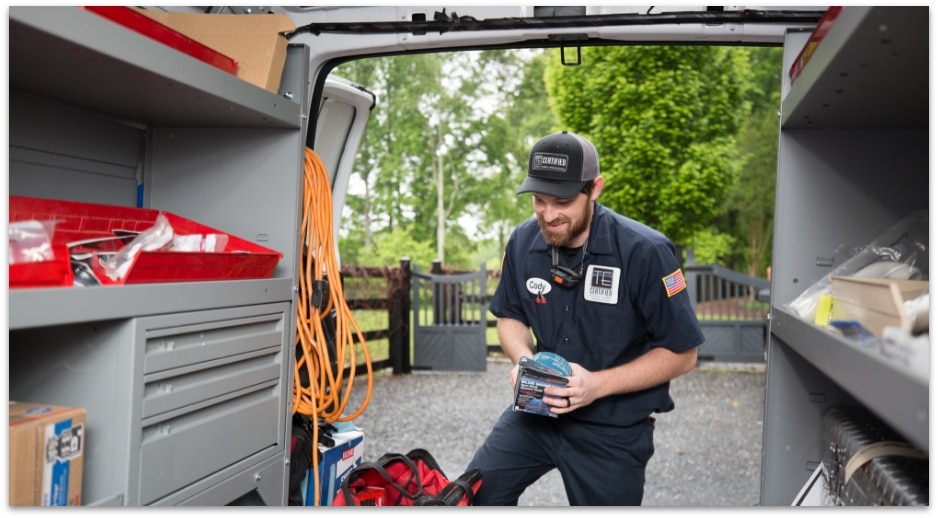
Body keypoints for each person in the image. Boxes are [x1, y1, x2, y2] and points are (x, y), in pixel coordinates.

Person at [466, 130, 704, 506]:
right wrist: (525, 361)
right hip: (535, 417)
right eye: (538, 201)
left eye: (561, 201)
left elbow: (683, 354)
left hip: (614, 431)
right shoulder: (522, 241)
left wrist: (595, 385)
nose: (548, 214)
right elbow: (509, 317)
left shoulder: (646, 252)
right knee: (472, 498)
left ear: (595, 189)